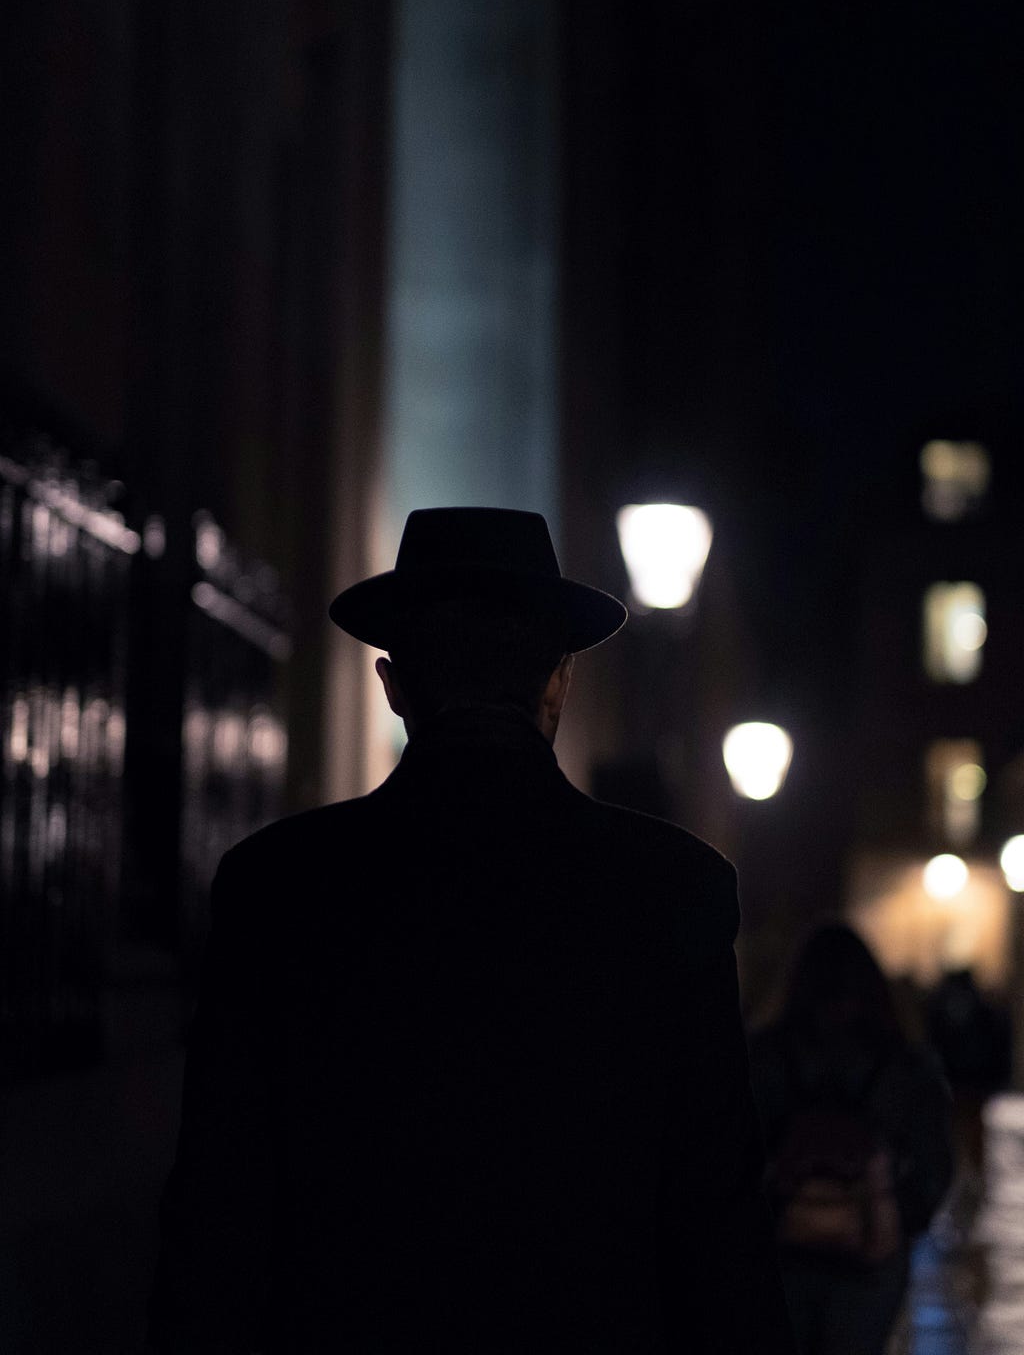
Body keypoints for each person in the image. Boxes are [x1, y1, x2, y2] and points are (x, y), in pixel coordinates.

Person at [149, 507, 795, 1354]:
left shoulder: (276, 886)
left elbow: (219, 1209)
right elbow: (717, 1218)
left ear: (395, 687)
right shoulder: (675, 890)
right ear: (557, 681)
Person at [748, 920, 954, 1355]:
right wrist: (894, 1219)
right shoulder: (906, 1063)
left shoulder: (763, 1056)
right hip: (871, 1258)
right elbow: (936, 1168)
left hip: (782, 1255)